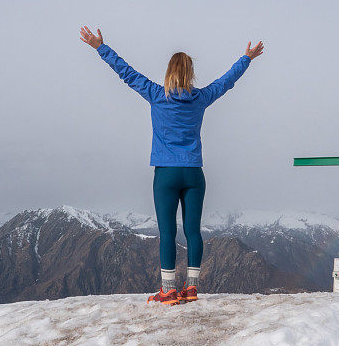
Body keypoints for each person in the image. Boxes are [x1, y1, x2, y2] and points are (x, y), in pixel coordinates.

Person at [79, 27, 264, 306]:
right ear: (190, 73)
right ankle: (191, 289)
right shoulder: (200, 98)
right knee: (193, 230)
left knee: (167, 231)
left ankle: (167, 291)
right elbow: (226, 82)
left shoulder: (155, 94)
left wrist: (100, 47)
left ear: (169, 71)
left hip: (165, 173)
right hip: (193, 172)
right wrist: (246, 58)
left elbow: (126, 72)